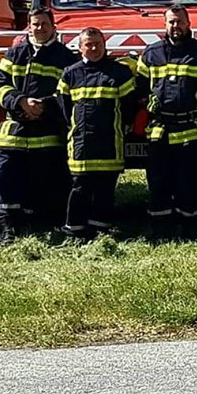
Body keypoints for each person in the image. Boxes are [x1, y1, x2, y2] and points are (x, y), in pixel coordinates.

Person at [0, 8, 78, 243]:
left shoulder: (66, 58)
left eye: (44, 24)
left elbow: (69, 94)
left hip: (46, 131)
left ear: (53, 27)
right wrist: (19, 101)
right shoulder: (15, 53)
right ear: (29, 26)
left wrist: (43, 107)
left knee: (46, 181)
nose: (40, 28)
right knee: (5, 179)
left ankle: (40, 224)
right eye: (35, 24)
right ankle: (8, 227)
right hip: (13, 130)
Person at [139, 3, 197, 239]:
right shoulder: (151, 53)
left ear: (189, 23)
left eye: (180, 21)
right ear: (165, 24)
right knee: (158, 180)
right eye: (171, 22)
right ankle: (160, 228)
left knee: (191, 180)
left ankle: (189, 226)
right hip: (160, 128)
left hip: (193, 128)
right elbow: (141, 87)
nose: (176, 26)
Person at [55, 28, 141, 241]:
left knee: (105, 186)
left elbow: (129, 107)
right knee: (79, 186)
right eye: (88, 44)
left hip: (109, 139)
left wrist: (125, 126)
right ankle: (74, 229)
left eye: (98, 44)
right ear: (80, 47)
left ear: (105, 45)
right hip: (80, 141)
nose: (93, 48)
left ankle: (100, 230)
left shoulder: (119, 73)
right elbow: (64, 108)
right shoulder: (70, 73)